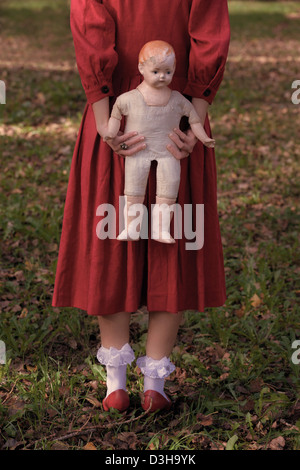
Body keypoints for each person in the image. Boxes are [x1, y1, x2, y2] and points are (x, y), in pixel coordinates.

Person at [52, 0, 230, 412]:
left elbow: (92, 34)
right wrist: (193, 118)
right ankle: (155, 386)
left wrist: (102, 122)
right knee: (174, 242)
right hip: (177, 126)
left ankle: (116, 386)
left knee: (112, 239)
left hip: (116, 118)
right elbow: (210, 39)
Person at [104, 40, 215, 243]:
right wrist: (110, 133)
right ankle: (132, 226)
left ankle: (161, 229)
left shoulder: (178, 99)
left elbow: (194, 120)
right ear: (141, 68)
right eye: (155, 71)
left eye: (168, 72)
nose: (162, 76)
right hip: (137, 149)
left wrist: (203, 137)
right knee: (134, 187)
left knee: (169, 187)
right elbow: (116, 115)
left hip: (168, 151)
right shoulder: (129, 98)